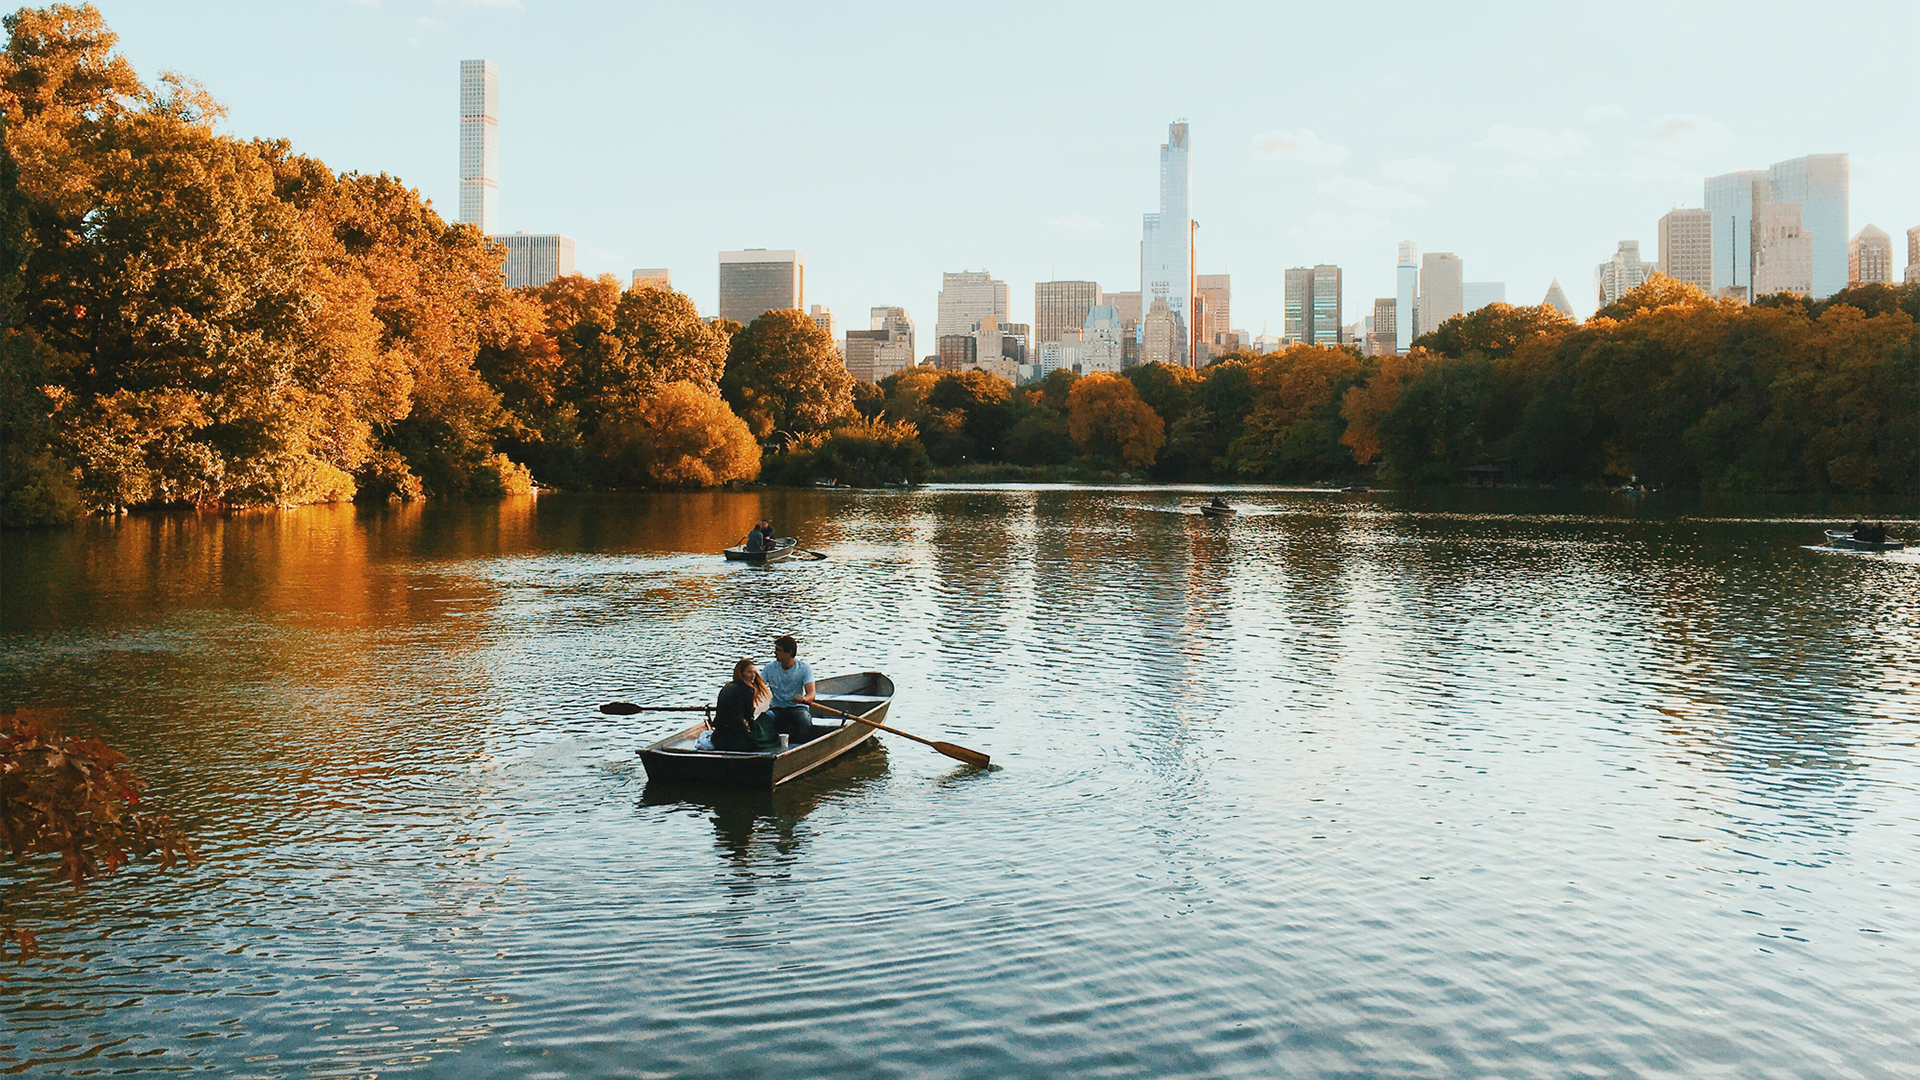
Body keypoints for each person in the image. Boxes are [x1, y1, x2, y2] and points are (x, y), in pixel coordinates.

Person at [704, 658, 776, 752]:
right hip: (737, 738)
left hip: (719, 736)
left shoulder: (727, 686)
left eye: (754, 672)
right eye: (749, 672)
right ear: (741, 674)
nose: (753, 676)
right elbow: (748, 717)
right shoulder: (747, 690)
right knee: (768, 721)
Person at [759, 634, 816, 746]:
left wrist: (804, 699)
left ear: (789, 652)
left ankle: (798, 747)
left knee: (804, 720)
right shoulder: (769, 668)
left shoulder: (804, 668)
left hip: (797, 708)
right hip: (777, 708)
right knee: (763, 720)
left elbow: (812, 693)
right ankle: (767, 746)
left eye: (779, 650)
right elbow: (757, 686)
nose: (775, 653)